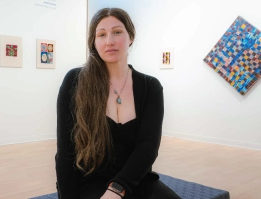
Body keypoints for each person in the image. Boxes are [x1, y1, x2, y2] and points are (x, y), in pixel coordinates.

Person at [55, 7, 181, 199]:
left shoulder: (150, 87)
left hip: (134, 179)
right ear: (94, 42)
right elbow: (65, 153)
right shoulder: (75, 81)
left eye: (117, 32)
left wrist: (118, 188)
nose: (109, 41)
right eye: (102, 34)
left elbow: (148, 147)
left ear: (130, 37)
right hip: (88, 181)